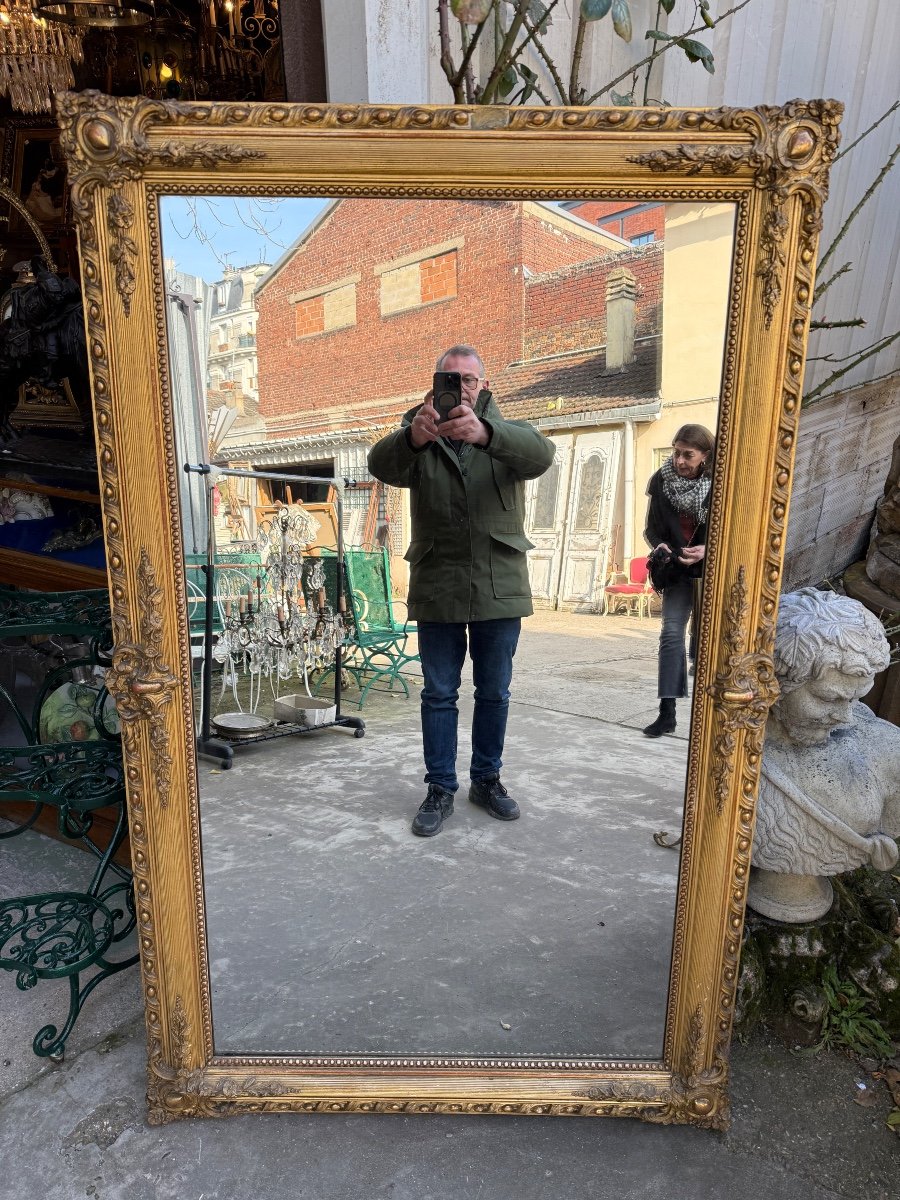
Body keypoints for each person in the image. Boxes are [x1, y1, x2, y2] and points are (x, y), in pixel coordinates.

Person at [367, 344, 554, 836]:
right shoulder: (418, 433)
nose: (461, 387)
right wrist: (412, 437)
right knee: (439, 694)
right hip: (439, 583)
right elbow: (379, 465)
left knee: (494, 692)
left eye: (469, 380)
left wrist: (486, 433)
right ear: (435, 383)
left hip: (499, 583)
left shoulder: (507, 436)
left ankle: (487, 780)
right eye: (452, 378)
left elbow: (542, 455)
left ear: (483, 386)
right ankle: (440, 787)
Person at [642, 423, 715, 738]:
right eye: (676, 452)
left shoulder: (720, 483)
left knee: (708, 645)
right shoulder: (661, 480)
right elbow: (651, 528)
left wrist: (707, 550)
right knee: (671, 635)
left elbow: (736, 528)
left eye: (688, 454)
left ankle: (711, 716)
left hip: (714, 571)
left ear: (705, 455)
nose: (680, 460)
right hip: (676, 570)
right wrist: (660, 546)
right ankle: (666, 712)